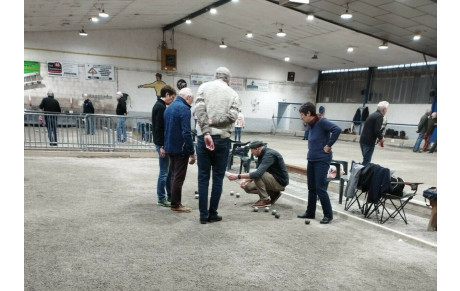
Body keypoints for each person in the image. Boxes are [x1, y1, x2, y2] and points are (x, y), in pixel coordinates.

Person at [195, 67, 241, 224]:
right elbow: (232, 116)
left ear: (215, 76)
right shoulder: (233, 93)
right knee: (218, 178)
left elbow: (199, 112)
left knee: (203, 177)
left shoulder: (203, 88)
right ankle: (212, 213)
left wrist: (207, 132)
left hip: (203, 137)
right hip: (222, 139)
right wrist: (214, 122)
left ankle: (202, 215)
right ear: (228, 79)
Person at [297, 102, 341, 224]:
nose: (301, 118)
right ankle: (310, 212)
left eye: (302, 115)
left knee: (320, 188)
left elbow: (337, 129)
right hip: (311, 158)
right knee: (311, 188)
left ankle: (328, 215)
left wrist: (328, 145)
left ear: (308, 113)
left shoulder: (322, 122)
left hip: (322, 160)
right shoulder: (310, 124)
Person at [227, 140, 289, 207]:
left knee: (257, 175)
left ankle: (265, 200)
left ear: (257, 149)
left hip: (280, 182)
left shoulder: (269, 155)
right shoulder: (260, 154)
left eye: (252, 150)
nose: (251, 152)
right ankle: (273, 193)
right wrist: (245, 180)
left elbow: (257, 174)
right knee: (247, 187)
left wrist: (238, 176)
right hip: (271, 179)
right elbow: (258, 171)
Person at [164, 87, 196, 213]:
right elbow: (186, 132)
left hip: (169, 147)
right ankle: (176, 205)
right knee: (178, 177)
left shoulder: (169, 107)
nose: (191, 102)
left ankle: (173, 200)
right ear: (187, 98)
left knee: (173, 175)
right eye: (191, 100)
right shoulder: (184, 109)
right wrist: (191, 152)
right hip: (180, 149)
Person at [152, 85, 176, 207]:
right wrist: (161, 146)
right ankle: (161, 198)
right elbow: (159, 128)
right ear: (166, 95)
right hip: (161, 144)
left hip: (162, 143)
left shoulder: (160, 106)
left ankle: (168, 195)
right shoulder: (160, 107)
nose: (172, 100)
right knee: (164, 172)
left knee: (167, 171)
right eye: (171, 97)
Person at [359, 101, 389, 166]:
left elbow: (371, 129)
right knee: (366, 161)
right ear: (384, 109)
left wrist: (378, 137)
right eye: (386, 109)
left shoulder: (373, 114)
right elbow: (377, 130)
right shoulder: (379, 116)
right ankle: (361, 174)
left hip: (363, 140)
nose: (386, 111)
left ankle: (360, 173)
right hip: (369, 142)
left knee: (365, 159)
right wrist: (381, 138)